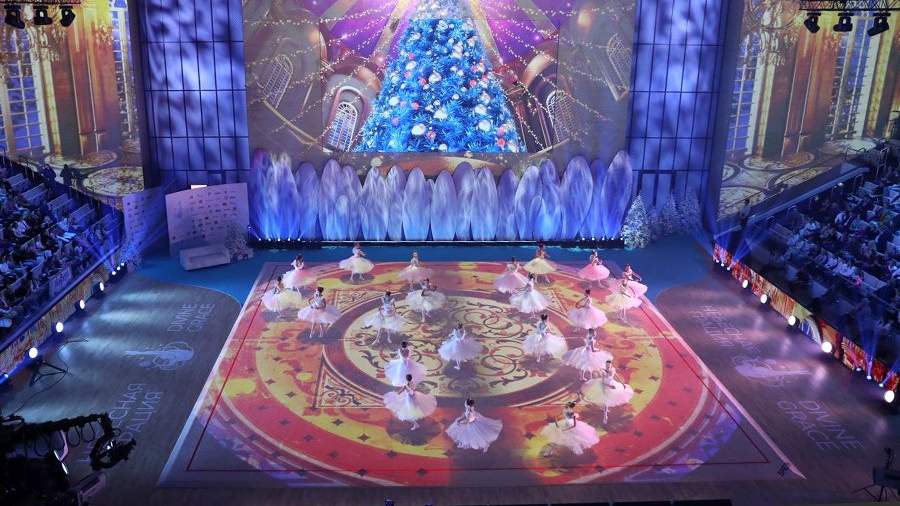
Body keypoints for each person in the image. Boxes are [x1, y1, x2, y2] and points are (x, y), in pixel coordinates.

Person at [581, 359, 634, 424]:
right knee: (605, 400)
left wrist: (621, 383)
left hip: (612, 384)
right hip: (605, 386)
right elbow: (603, 382)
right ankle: (605, 415)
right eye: (607, 365)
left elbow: (616, 376)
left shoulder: (612, 370)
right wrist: (610, 386)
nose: (608, 366)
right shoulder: (603, 372)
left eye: (609, 365)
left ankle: (605, 411)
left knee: (615, 395)